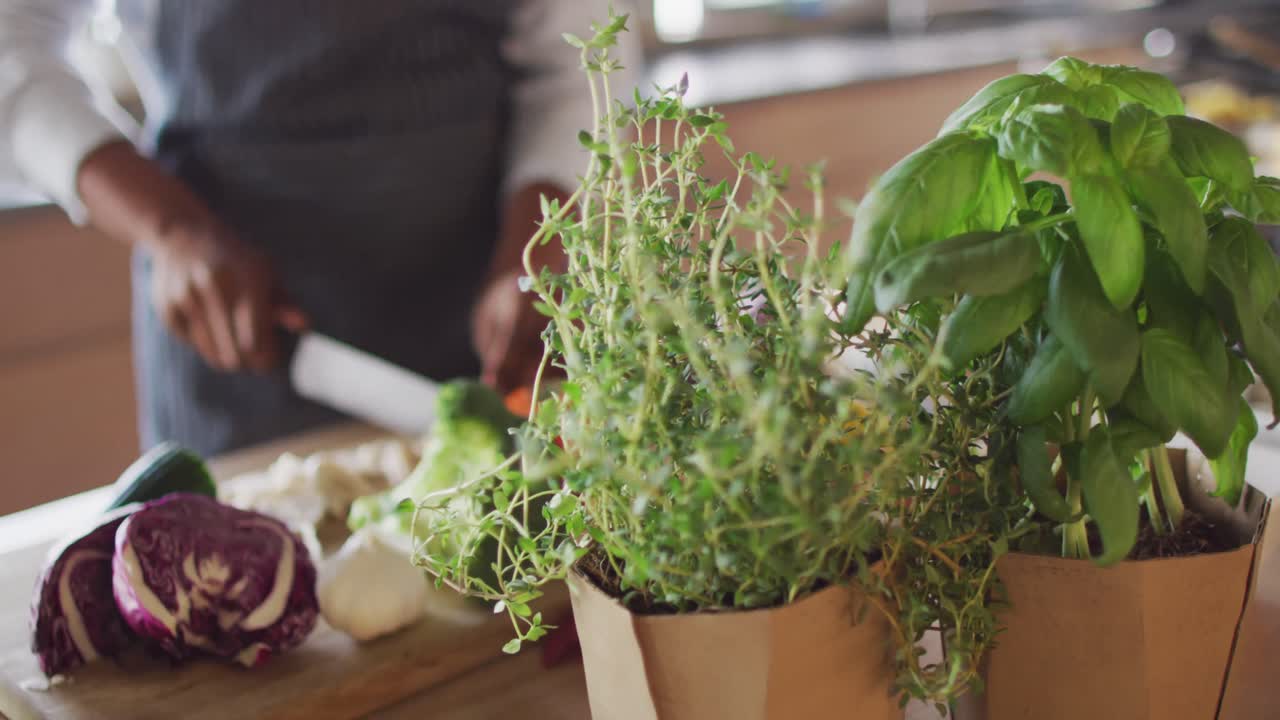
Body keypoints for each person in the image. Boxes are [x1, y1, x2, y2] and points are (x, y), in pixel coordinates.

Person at [0, 0, 639, 456]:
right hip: (237, 339)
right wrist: (172, 230)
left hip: (475, 320)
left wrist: (532, 251)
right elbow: (13, 44)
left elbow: (578, 62)